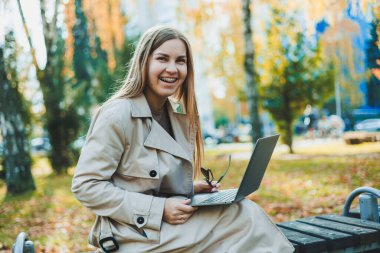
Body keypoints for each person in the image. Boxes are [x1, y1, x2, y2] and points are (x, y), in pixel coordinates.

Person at [72, 25, 294, 253]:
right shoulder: (118, 114)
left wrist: (190, 191)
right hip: (130, 235)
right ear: (143, 62)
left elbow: (152, 182)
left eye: (180, 60)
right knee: (242, 217)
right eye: (162, 59)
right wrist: (159, 209)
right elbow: (86, 186)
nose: (172, 68)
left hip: (161, 229)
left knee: (243, 213)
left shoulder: (177, 116)